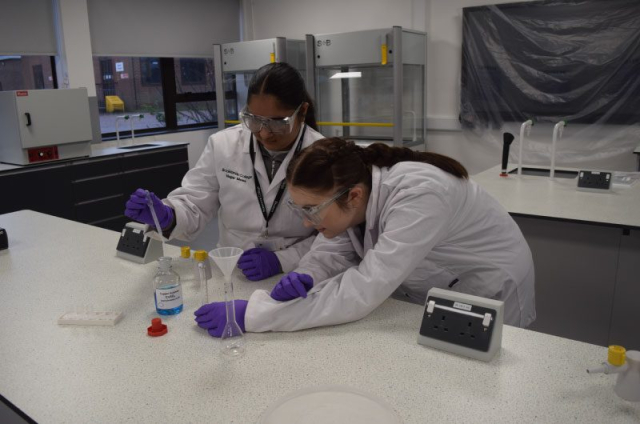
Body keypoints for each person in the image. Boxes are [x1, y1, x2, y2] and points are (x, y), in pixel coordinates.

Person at [194, 138, 536, 337]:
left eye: (312, 210)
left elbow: (363, 289)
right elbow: (335, 247)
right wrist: (308, 273)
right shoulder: (356, 189)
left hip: (484, 289)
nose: (307, 222)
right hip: (429, 286)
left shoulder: (421, 193)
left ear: (354, 196)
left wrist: (257, 315)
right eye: (300, 210)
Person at [124, 63, 324, 280]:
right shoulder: (223, 145)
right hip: (232, 268)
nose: (265, 133)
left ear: (302, 112)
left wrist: (283, 259)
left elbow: (337, 235)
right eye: (255, 120)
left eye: (277, 123)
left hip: (299, 273)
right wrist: (168, 216)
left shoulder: (323, 156)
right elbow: (195, 202)